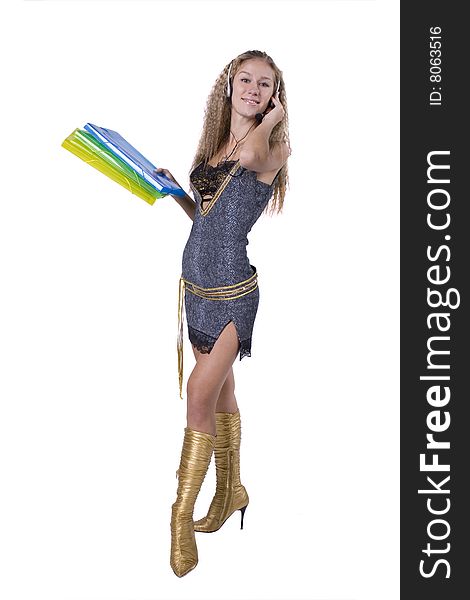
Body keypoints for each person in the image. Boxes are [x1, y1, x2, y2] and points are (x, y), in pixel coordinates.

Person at [155, 49, 291, 577]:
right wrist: (176, 196)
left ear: (274, 94)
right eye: (247, 80)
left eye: (266, 84)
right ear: (229, 83)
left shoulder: (271, 146)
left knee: (197, 391)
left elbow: (252, 153)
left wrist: (274, 116)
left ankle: (180, 515)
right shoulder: (215, 146)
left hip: (234, 292)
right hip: (197, 290)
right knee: (222, 393)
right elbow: (207, 218)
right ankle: (231, 488)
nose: (254, 90)